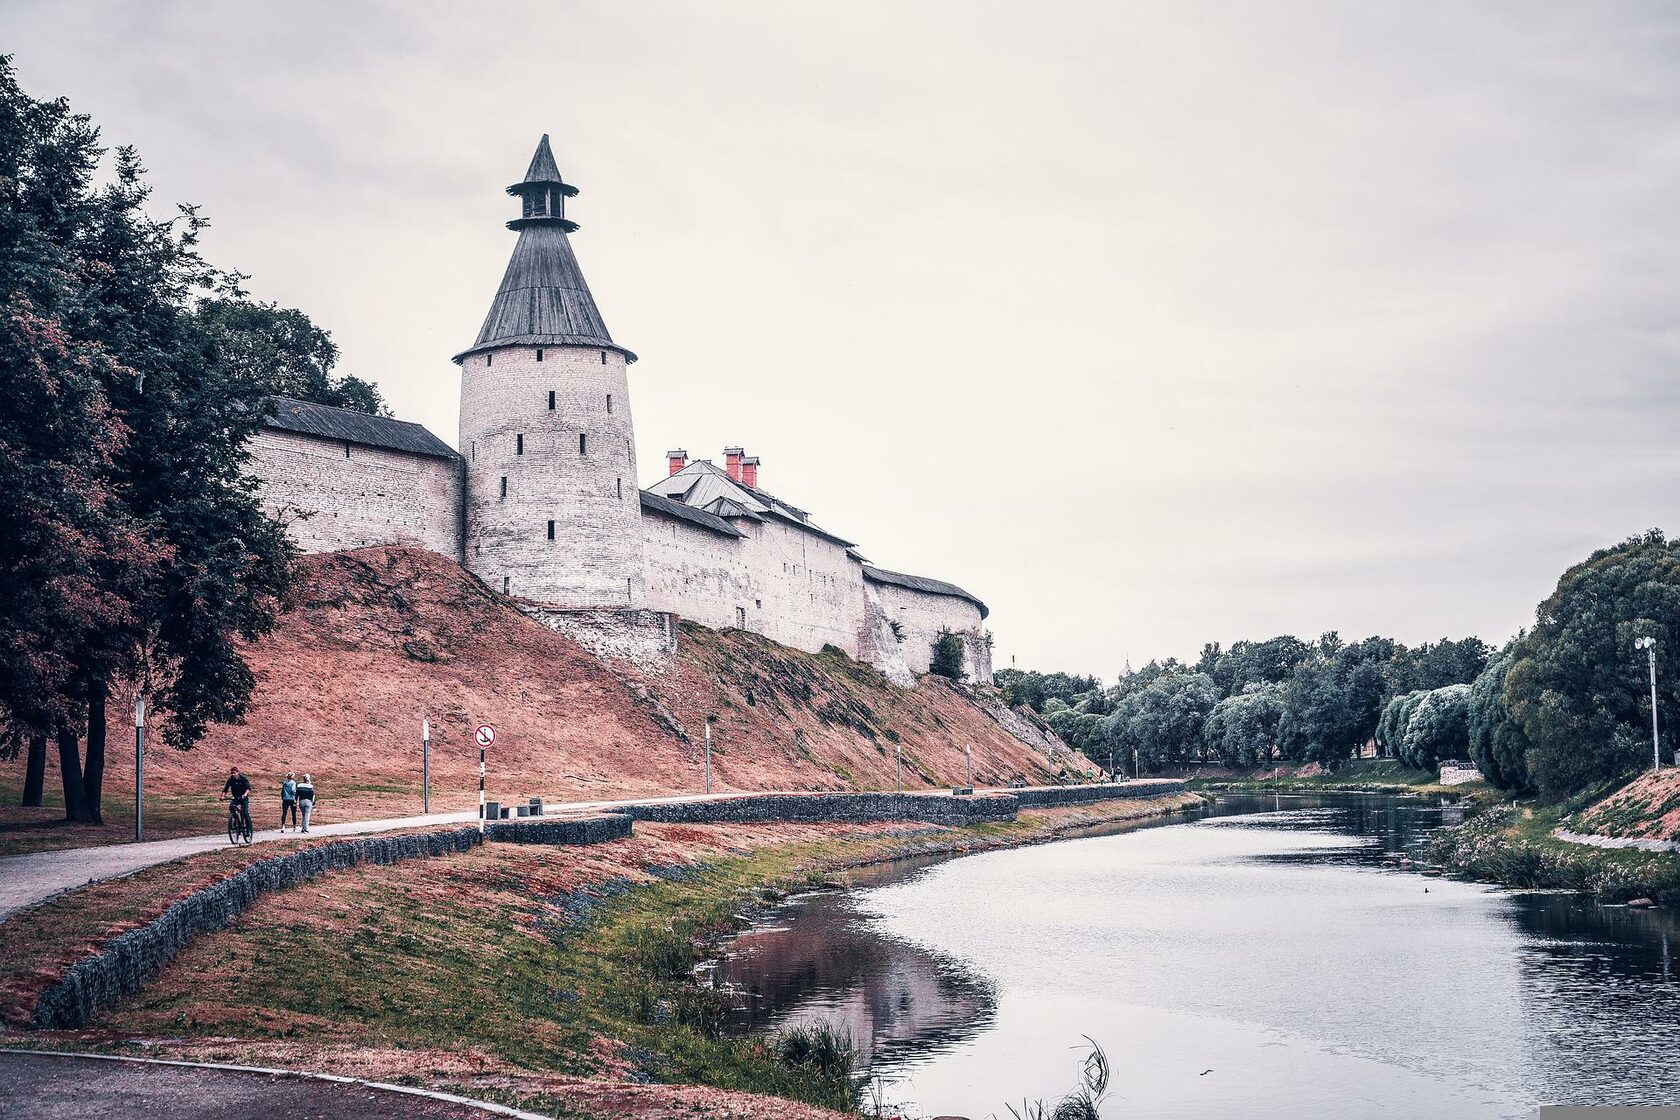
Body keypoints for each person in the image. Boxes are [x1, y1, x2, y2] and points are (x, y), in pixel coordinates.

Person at [221, 767, 253, 836]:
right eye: (232, 773)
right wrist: (222, 796)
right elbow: (226, 788)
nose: (233, 774)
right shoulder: (231, 779)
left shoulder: (243, 779)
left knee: (245, 813)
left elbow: (248, 788)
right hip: (235, 797)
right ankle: (235, 820)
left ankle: (248, 829)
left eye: (234, 773)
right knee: (231, 806)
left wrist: (245, 795)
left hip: (243, 798)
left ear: (238, 772)